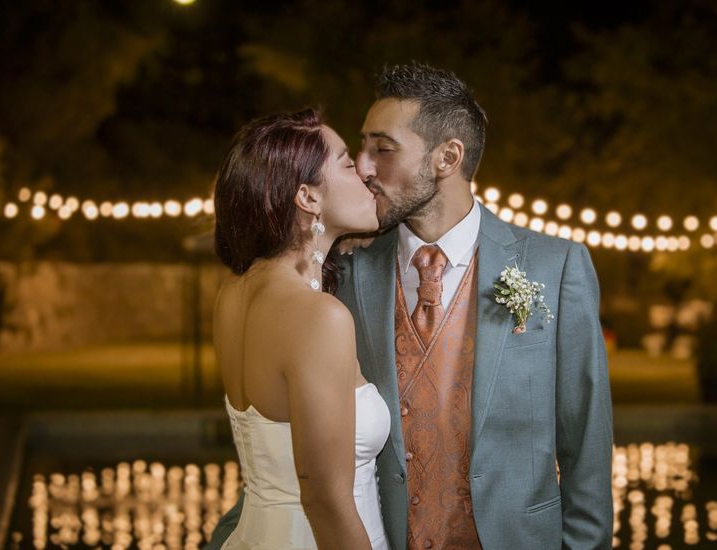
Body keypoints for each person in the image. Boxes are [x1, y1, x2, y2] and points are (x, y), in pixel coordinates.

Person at [208, 63, 613, 550]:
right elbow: (293, 449)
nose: (364, 166)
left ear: (447, 157)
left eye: (383, 148)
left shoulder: (557, 267)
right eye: (359, 148)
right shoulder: (340, 275)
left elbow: (586, 446)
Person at [211, 108, 389, 549]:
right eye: (348, 164)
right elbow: (325, 500)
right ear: (308, 198)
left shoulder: (233, 296)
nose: (365, 175)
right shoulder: (319, 317)